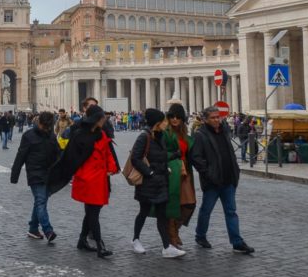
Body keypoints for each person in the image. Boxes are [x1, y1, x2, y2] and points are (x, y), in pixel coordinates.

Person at [48, 105, 120, 259]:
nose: (104, 120)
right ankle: (100, 246)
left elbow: (108, 153)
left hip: (100, 177)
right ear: (96, 119)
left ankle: (82, 240)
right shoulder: (80, 135)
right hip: (88, 178)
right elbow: (71, 157)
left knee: (92, 211)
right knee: (93, 212)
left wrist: (112, 167)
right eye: (102, 118)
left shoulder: (101, 134)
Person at [191, 107, 255, 254]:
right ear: (205, 119)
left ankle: (237, 242)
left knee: (231, 212)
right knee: (206, 211)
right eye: (213, 117)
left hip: (228, 178)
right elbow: (196, 157)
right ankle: (200, 235)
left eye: (218, 117)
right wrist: (208, 174)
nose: (216, 120)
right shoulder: (200, 135)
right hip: (213, 181)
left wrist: (236, 172)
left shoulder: (225, 131)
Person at [130, 109, 185, 258]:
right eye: (164, 121)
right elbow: (135, 158)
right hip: (148, 182)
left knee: (162, 215)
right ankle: (136, 239)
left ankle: (167, 247)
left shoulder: (159, 136)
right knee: (144, 211)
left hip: (161, 181)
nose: (166, 123)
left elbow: (159, 157)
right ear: (157, 122)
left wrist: (173, 157)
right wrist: (150, 173)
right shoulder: (144, 137)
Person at [10, 111, 59, 243]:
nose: (47, 129)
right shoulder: (28, 135)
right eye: (46, 126)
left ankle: (33, 228)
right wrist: (14, 175)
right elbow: (21, 155)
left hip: (49, 174)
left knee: (39, 202)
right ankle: (48, 231)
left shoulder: (51, 136)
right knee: (41, 201)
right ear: (40, 123)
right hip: (35, 174)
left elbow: (58, 154)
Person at [162, 104, 196, 249]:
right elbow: (159, 153)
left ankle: (175, 229)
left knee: (190, 203)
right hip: (171, 173)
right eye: (172, 116)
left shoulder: (185, 135)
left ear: (182, 119)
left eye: (178, 117)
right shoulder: (165, 133)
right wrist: (172, 156)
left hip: (185, 172)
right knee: (173, 204)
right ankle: (172, 235)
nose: (175, 119)